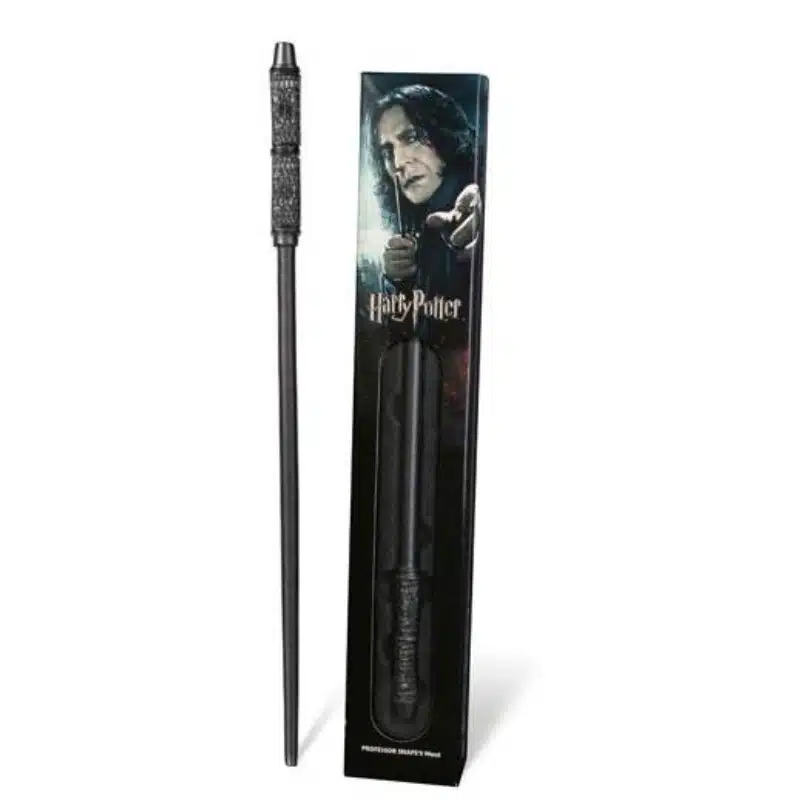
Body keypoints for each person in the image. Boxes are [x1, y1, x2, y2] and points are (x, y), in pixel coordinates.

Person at [367, 85, 483, 313]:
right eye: (387, 152)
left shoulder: (478, 199)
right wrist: (398, 282)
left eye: (411, 138)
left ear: (444, 134)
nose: (398, 163)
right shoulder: (413, 229)